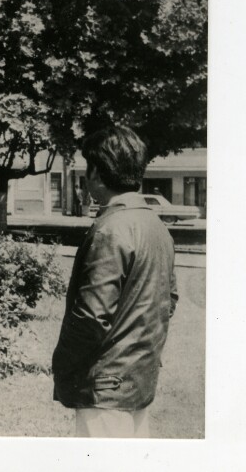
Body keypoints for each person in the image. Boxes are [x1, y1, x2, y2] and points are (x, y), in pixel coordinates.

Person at [52, 127, 178, 438]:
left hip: (104, 389)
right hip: (138, 381)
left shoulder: (111, 228)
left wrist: (62, 361)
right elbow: (169, 300)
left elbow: (91, 316)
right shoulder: (156, 226)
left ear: (97, 172)